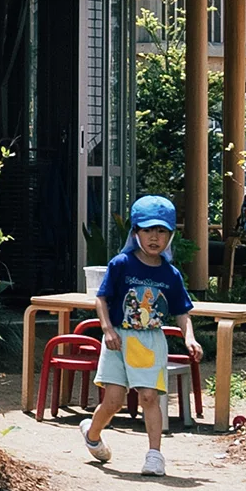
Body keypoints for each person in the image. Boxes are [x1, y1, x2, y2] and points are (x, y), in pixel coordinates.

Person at [83, 195, 200, 476]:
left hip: (150, 340)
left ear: (170, 235)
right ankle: (92, 434)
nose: (154, 237)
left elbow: (182, 311)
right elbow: (102, 299)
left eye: (161, 231)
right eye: (147, 230)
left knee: (149, 396)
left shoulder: (171, 274)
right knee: (113, 401)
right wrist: (107, 329)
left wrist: (189, 338)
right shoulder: (121, 264)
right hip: (116, 341)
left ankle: (154, 456)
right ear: (135, 232)